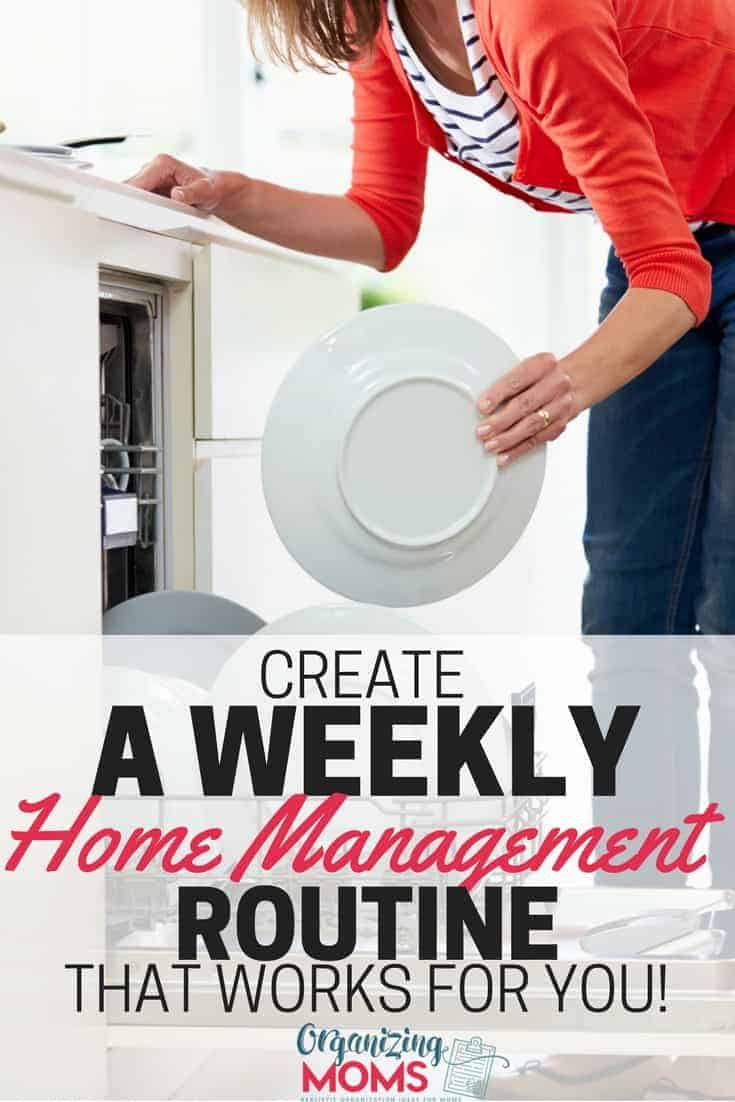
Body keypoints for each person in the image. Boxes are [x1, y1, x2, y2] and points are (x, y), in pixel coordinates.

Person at [128, 2, 735, 1096]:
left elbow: (673, 279)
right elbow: (382, 219)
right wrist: (227, 196)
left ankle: (725, 975)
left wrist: (564, 387)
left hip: (679, 257)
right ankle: (644, 960)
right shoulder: (384, 32)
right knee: (628, 619)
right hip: (677, 241)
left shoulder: (532, 17)